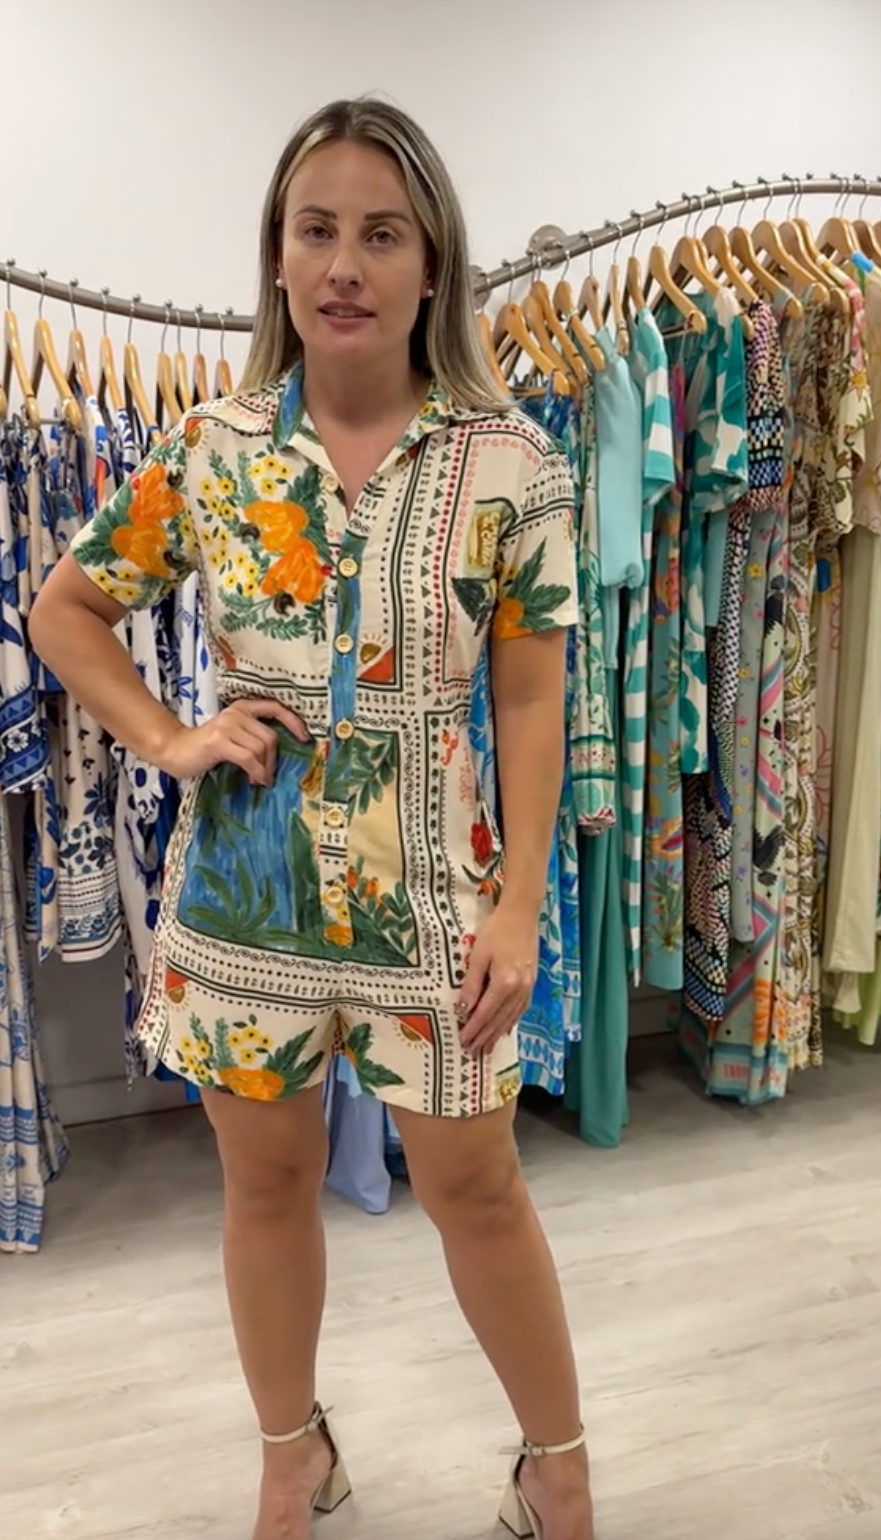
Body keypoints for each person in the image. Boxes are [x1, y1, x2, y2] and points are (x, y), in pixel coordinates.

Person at [30, 96, 595, 1540]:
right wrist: (170, 737)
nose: (345, 264)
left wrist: (522, 901)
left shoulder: (512, 463)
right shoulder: (211, 450)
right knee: (267, 1185)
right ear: (277, 257)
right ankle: (293, 1457)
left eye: (382, 234)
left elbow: (531, 697)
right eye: (317, 230)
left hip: (437, 896)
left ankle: (558, 1467)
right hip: (243, 898)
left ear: (432, 263)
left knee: (477, 1186)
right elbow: (65, 609)